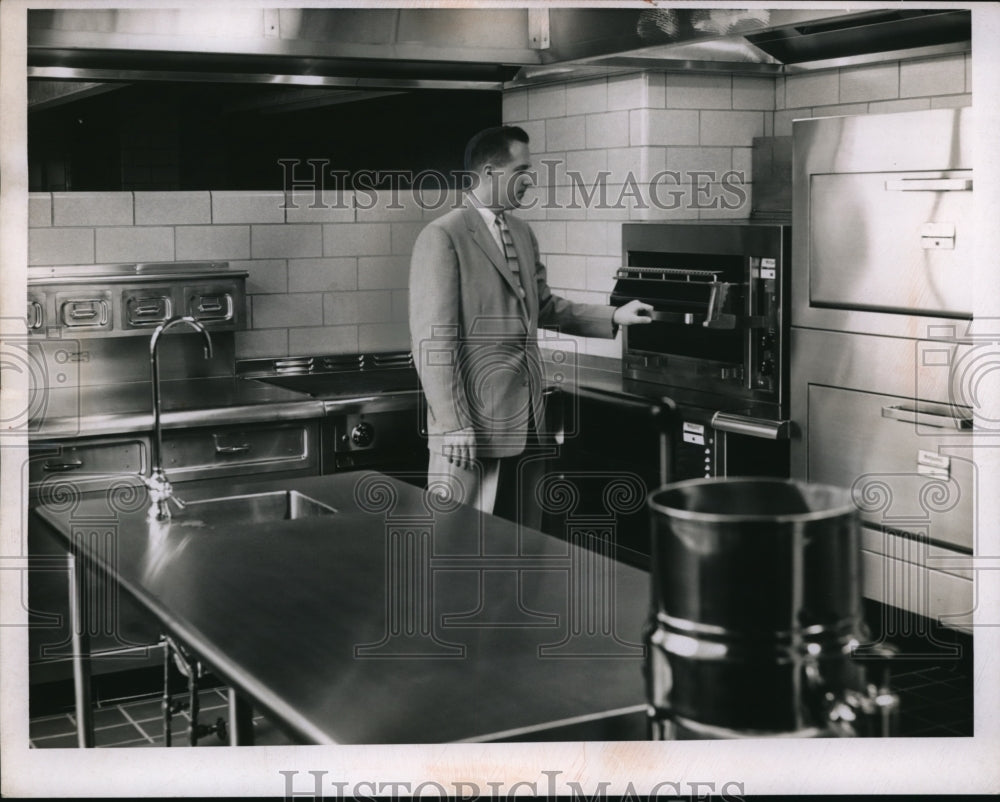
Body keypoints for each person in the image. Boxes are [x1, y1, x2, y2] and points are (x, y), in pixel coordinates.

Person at [409, 125, 652, 523]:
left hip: (527, 426)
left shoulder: (521, 232)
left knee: (520, 551)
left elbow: (544, 306)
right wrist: (453, 426)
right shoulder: (443, 236)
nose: (530, 180)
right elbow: (432, 341)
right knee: (457, 551)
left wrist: (613, 316)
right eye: (523, 170)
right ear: (490, 172)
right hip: (469, 433)